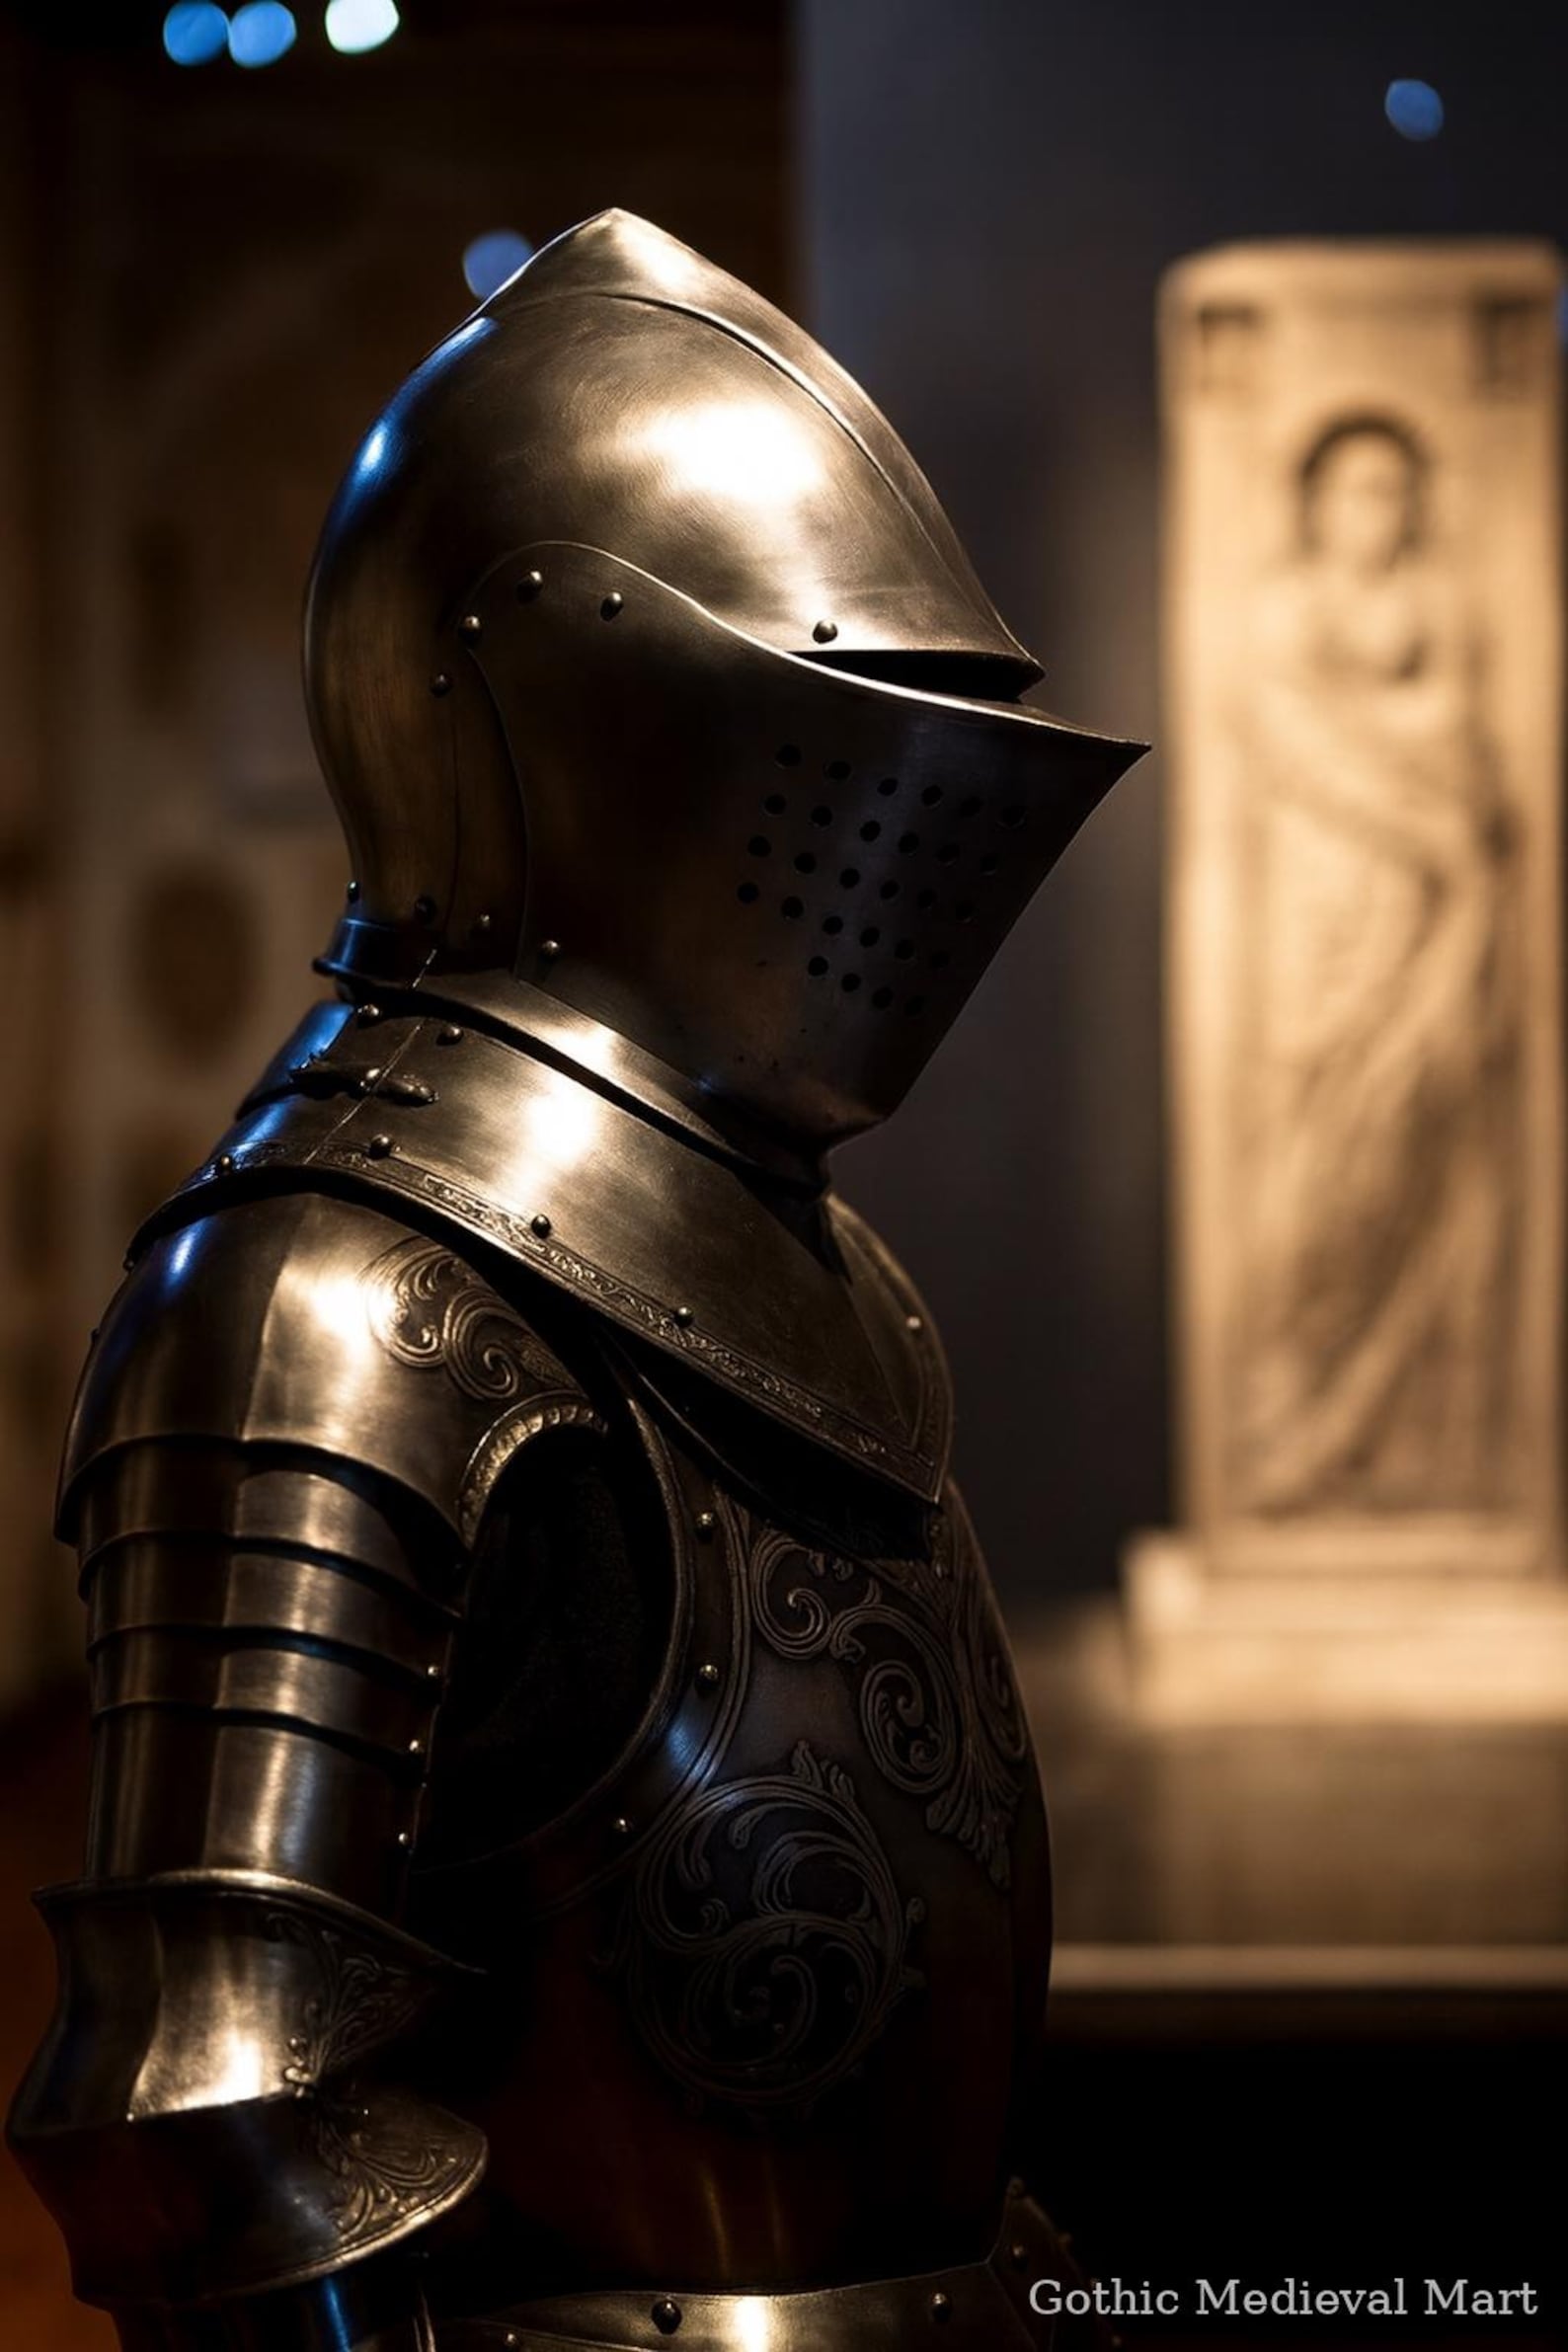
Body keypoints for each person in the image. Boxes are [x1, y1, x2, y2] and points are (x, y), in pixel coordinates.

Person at [9, 210, 1140, 2352]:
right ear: (557, 700)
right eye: (843, 719)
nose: (906, 809)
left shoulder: (822, 1274)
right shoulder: (325, 1316)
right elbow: (207, 2132)